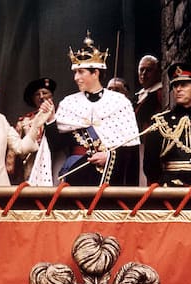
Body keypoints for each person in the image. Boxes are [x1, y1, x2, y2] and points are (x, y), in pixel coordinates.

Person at [41, 31, 140, 186]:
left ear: (95, 73)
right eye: (75, 72)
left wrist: (109, 157)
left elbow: (131, 152)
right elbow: (57, 146)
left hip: (111, 179)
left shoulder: (120, 103)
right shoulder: (69, 103)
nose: (76, 78)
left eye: (81, 72)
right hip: (76, 174)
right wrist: (51, 119)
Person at [6, 77, 62, 186]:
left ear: (51, 95)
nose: (41, 97)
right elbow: (13, 149)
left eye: (45, 93)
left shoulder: (60, 116)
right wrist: (10, 166)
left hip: (55, 159)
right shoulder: (25, 121)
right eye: (37, 94)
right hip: (32, 164)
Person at [134, 55, 163, 186]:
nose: (144, 74)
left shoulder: (159, 93)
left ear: (157, 72)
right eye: (141, 70)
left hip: (153, 143)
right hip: (139, 144)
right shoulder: (140, 95)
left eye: (149, 70)